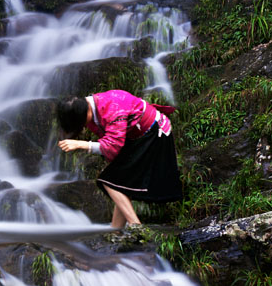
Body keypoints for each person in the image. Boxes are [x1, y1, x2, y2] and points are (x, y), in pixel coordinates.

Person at [56, 90, 182, 229]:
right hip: (137, 136)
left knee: (110, 181)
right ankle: (116, 230)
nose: (84, 127)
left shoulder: (113, 108)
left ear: (86, 113)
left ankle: (136, 227)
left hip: (153, 134)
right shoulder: (89, 107)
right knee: (119, 183)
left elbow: (112, 146)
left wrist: (82, 144)